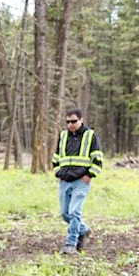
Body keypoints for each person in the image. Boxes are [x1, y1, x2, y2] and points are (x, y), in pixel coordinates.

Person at [52, 108, 103, 255]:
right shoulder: (63, 136)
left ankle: (71, 244)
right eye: (67, 122)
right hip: (64, 180)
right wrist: (58, 173)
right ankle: (83, 229)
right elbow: (56, 157)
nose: (70, 124)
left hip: (81, 181)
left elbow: (98, 159)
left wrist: (89, 176)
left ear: (81, 120)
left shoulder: (90, 136)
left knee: (74, 212)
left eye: (73, 121)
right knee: (65, 214)